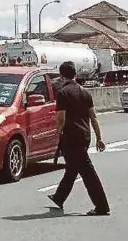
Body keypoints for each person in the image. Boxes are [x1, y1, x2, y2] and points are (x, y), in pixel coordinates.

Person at [48, 61, 110, 216]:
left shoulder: (63, 93)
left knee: (87, 172)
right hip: (85, 135)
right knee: (72, 168)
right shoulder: (85, 92)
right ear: (75, 74)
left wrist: (57, 133)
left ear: (62, 76)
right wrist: (99, 138)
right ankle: (59, 197)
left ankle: (102, 206)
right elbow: (93, 117)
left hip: (71, 137)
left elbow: (61, 118)